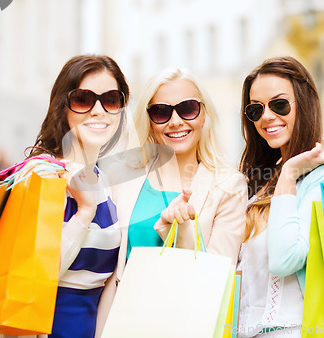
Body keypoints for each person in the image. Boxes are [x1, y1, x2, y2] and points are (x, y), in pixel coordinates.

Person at [0, 54, 129, 338]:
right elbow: (31, 278)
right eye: (83, 99)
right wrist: (84, 212)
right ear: (62, 106)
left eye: (111, 100)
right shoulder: (41, 174)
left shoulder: (103, 181)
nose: (98, 110)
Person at [98, 68, 248, 323]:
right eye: (161, 112)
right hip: (121, 321)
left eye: (187, 108)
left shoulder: (229, 186)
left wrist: (182, 230)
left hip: (186, 324)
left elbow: (217, 278)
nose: (175, 121)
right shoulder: (122, 176)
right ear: (149, 120)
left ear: (204, 115)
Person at [236, 56, 324, 337]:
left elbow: (284, 261)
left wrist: (289, 173)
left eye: (279, 104)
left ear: (304, 104)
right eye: (255, 109)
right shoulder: (261, 181)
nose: (267, 116)